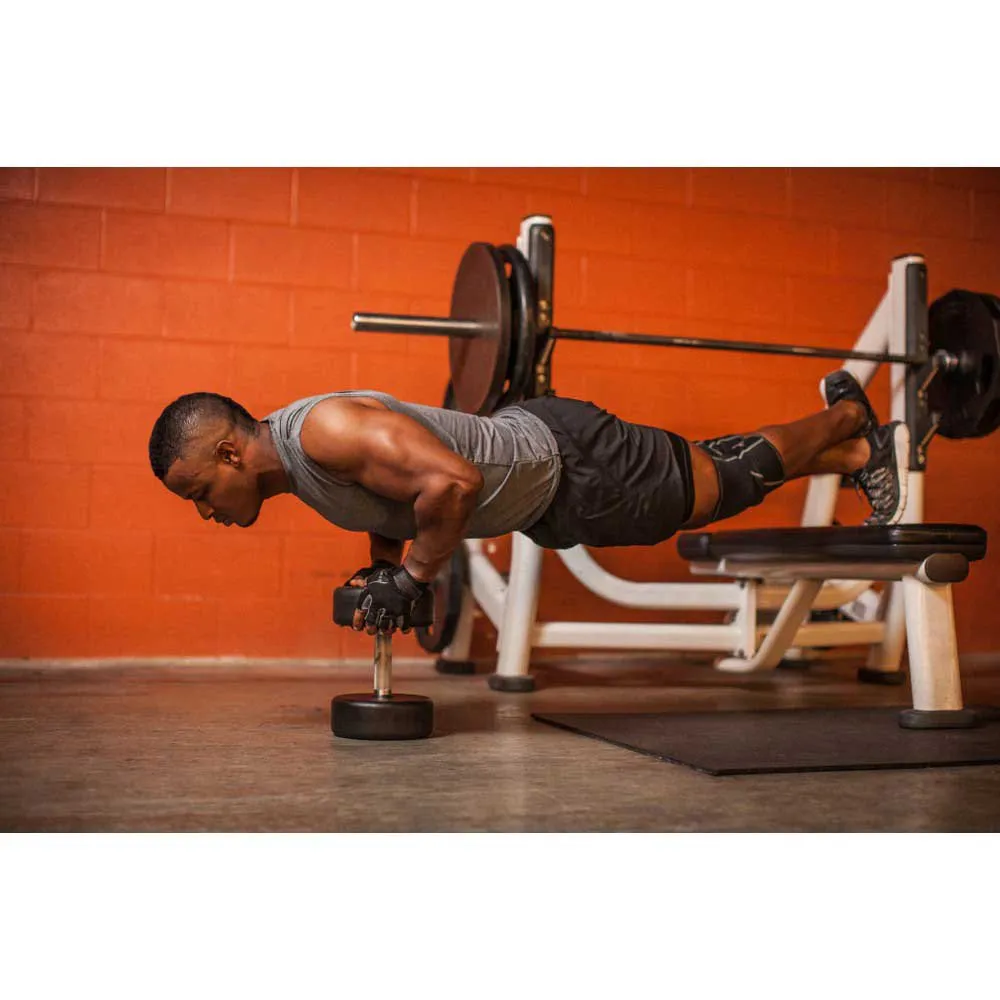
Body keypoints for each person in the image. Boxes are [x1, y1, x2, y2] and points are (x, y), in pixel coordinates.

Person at [148, 372, 909, 635]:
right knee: (705, 477)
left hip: (571, 462)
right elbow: (391, 502)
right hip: (552, 491)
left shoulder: (323, 431)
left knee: (719, 485)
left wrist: (415, 578)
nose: (205, 512)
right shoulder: (297, 468)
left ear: (229, 455)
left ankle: (850, 419)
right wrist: (387, 572)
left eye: (200, 494)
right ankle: (849, 452)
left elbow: (452, 483)